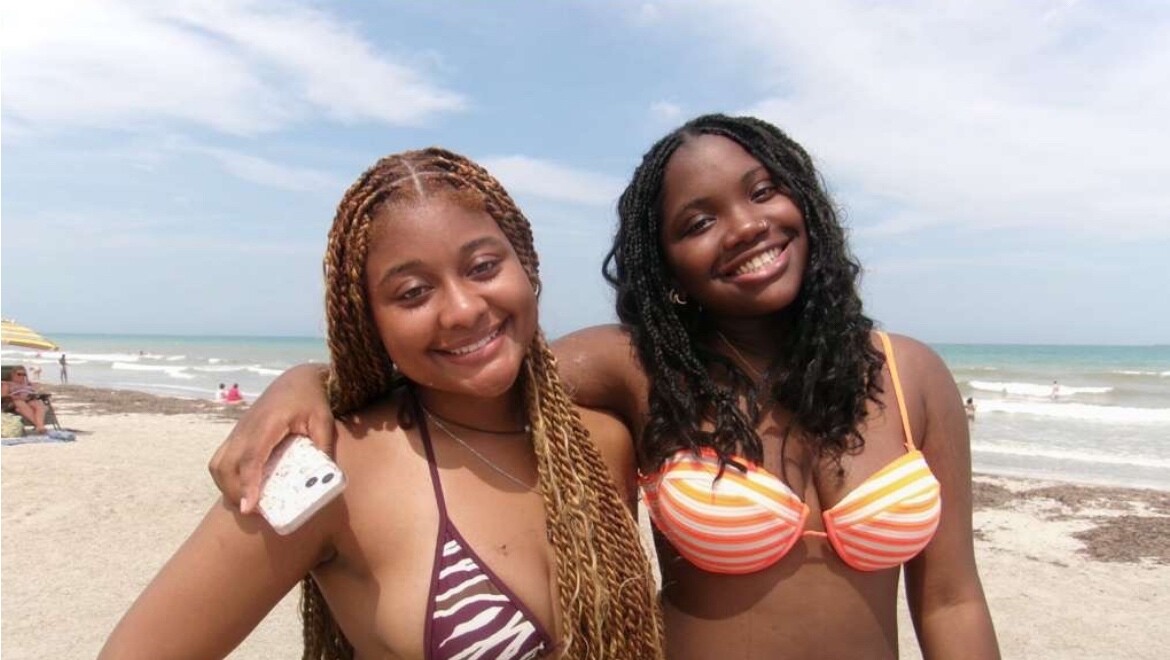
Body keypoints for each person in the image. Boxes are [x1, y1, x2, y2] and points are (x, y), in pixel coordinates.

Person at [209, 116, 999, 658]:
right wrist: (307, 381)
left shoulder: (910, 375)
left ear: (808, 204)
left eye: (764, 191)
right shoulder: (642, 371)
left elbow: (951, 600)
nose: (744, 226)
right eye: (697, 222)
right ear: (666, 267)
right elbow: (477, 358)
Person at [102, 148, 664, 659]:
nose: (463, 309)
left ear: (527, 266)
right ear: (369, 322)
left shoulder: (600, 441)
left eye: (483, 267)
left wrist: (306, 376)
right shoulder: (326, 470)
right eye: (413, 293)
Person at [2, 368, 51, 434]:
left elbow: (35, 392)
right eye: (19, 374)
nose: (22, 376)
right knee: (19, 403)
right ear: (13, 375)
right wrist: (19, 397)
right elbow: (4, 396)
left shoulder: (28, 384)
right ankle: (40, 426)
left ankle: (39, 427)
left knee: (38, 404)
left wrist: (35, 394)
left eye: (24, 374)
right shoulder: (7, 384)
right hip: (13, 402)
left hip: (29, 400)